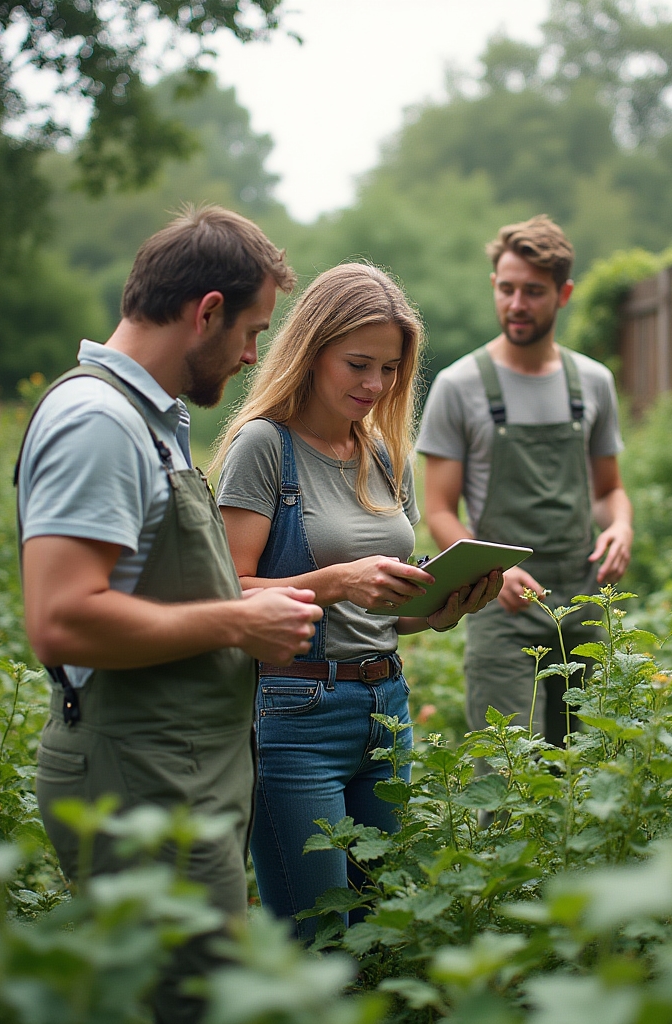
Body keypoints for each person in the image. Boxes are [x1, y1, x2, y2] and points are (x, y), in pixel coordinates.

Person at [16, 206, 324, 1024]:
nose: (256, 354)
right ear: (207, 311)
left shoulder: (150, 419)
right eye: (253, 330)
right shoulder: (98, 423)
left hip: (181, 777)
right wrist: (237, 626)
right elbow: (61, 619)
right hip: (141, 783)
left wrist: (330, 587)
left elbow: (171, 595)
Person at [212, 263, 502, 939]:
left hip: (386, 710)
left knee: (381, 931)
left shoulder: (381, 451)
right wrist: (337, 580)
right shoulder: (266, 448)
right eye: (359, 365)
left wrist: (440, 606)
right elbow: (228, 595)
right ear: (312, 352)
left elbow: (383, 606)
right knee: (320, 940)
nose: (376, 386)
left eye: (392, 369)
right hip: (295, 717)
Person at [416, 215, 633, 747]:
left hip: (585, 603)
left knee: (582, 773)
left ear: (563, 294)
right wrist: (492, 569)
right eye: (507, 289)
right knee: (511, 774)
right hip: (502, 606)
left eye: (533, 292)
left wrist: (621, 527)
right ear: (494, 286)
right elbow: (439, 510)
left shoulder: (593, 384)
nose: (517, 304)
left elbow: (608, 492)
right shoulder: (459, 385)